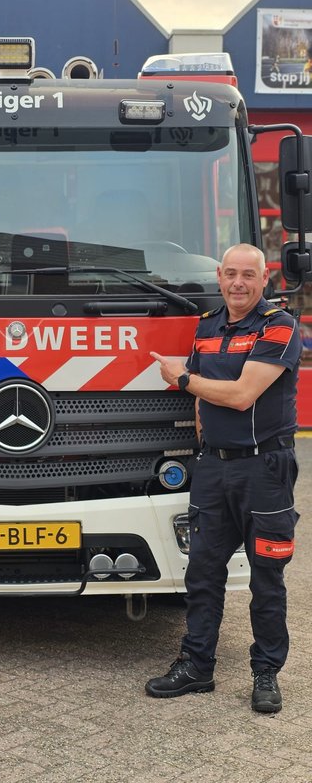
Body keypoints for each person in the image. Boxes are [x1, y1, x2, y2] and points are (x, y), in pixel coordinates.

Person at [146, 243, 301, 714]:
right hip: (213, 468)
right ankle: (197, 667)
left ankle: (266, 674)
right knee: (203, 573)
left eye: (247, 275)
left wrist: (181, 379)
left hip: (264, 469)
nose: (238, 283)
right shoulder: (208, 327)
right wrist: (201, 433)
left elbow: (239, 395)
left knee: (266, 578)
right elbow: (203, 404)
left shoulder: (279, 326)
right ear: (219, 276)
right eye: (230, 274)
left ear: (264, 279)